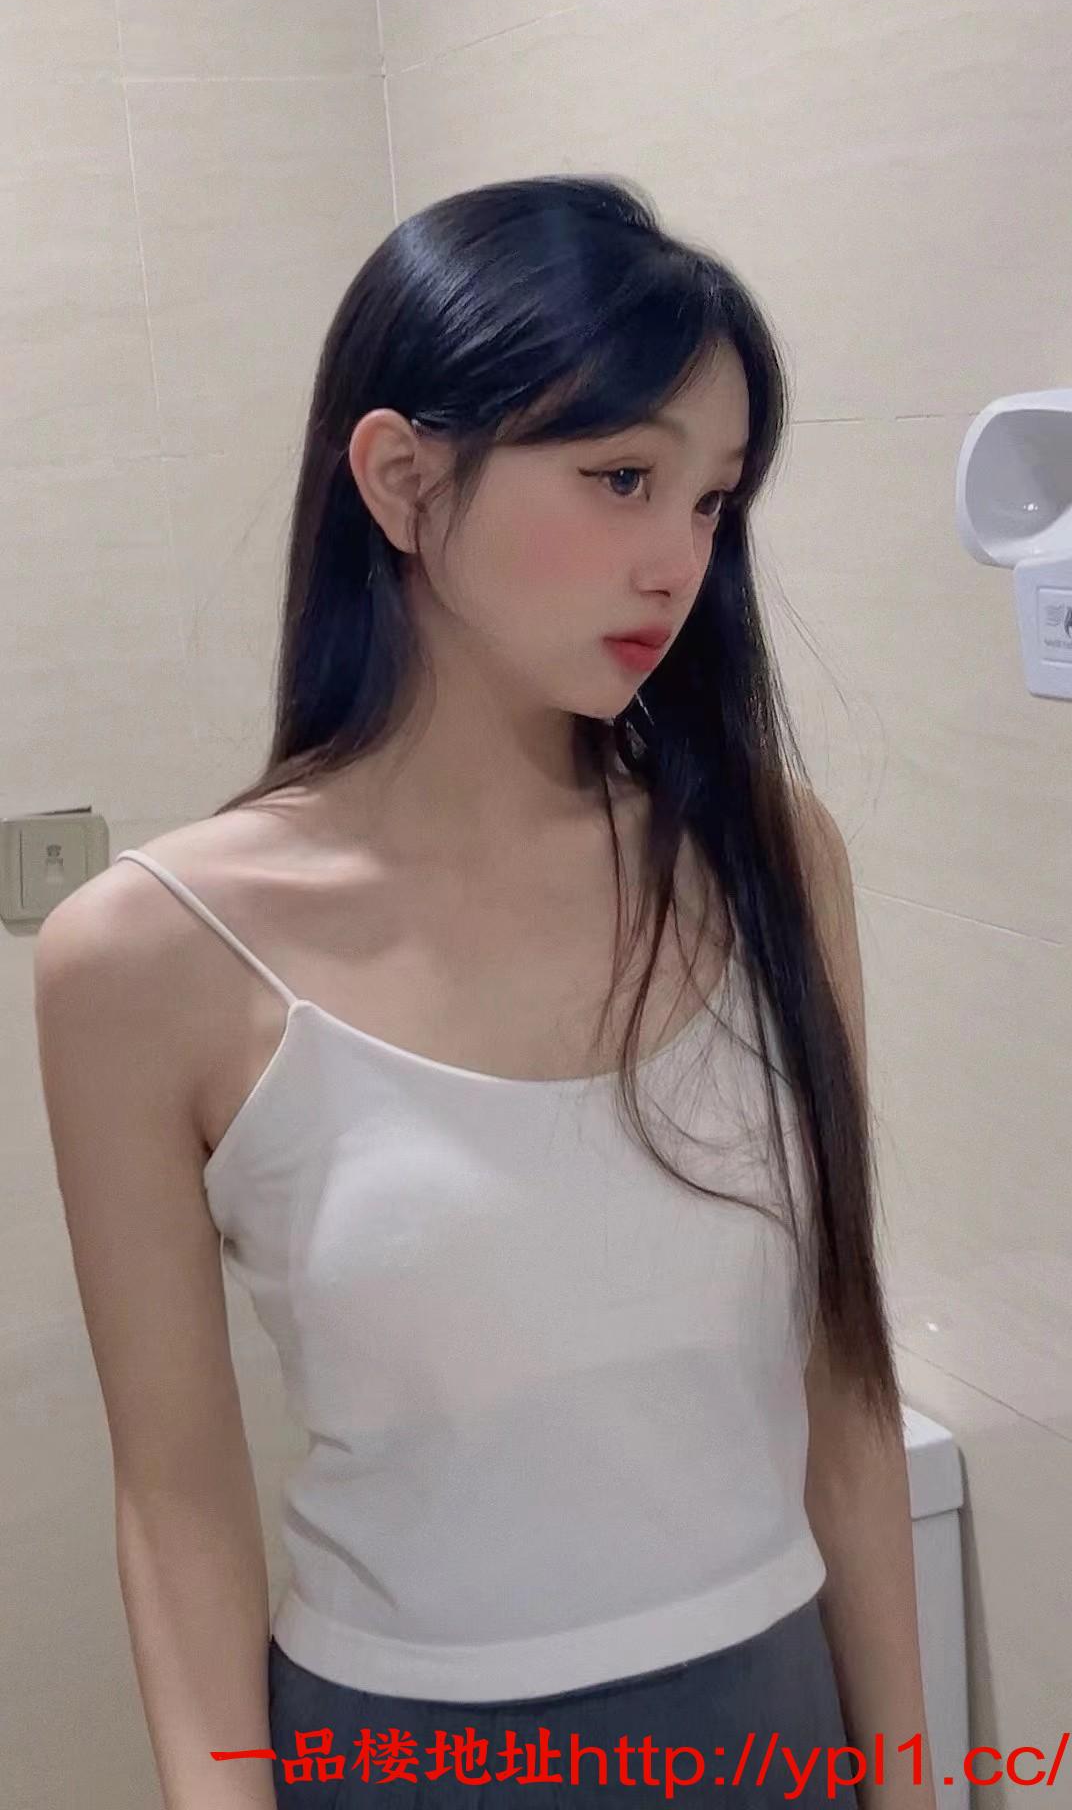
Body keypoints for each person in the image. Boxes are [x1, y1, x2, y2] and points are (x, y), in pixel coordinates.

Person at [35, 174, 930, 1810]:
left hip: (775, 1721)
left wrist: (916, 1784)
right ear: (401, 478)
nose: (678, 560)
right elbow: (176, 1512)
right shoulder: (150, 958)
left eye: (713, 500)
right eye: (621, 476)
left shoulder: (769, 857)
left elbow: (847, 1388)